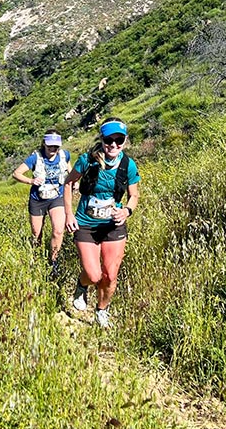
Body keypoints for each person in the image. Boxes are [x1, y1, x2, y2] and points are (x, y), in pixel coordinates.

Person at [64, 118, 140, 328]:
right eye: (109, 140)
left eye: (119, 140)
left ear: (125, 141)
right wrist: (69, 214)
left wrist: (126, 210)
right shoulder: (87, 160)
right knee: (93, 273)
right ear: (102, 139)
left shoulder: (128, 165)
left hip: (113, 225)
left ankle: (102, 310)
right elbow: (69, 183)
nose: (114, 145)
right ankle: (82, 285)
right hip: (86, 224)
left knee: (110, 274)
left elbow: (134, 195)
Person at [12, 129, 72, 277]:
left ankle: (54, 263)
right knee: (36, 235)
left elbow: (69, 171)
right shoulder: (35, 158)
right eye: (50, 146)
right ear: (44, 144)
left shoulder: (65, 155)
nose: (53, 149)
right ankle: (37, 260)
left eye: (56, 146)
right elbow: (16, 173)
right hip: (38, 200)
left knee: (58, 230)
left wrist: (73, 183)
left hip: (56, 197)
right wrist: (31, 181)